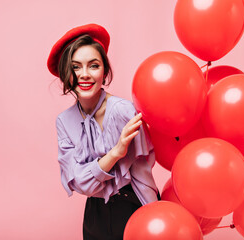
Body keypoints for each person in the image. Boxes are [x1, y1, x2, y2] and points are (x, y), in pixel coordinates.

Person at [47, 23, 159, 240]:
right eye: (76, 67)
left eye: (94, 66)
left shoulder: (123, 111)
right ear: (65, 73)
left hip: (134, 204)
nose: (85, 75)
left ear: (105, 71)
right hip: (95, 213)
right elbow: (81, 184)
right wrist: (115, 153)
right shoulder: (64, 122)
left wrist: (154, 218)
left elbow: (142, 174)